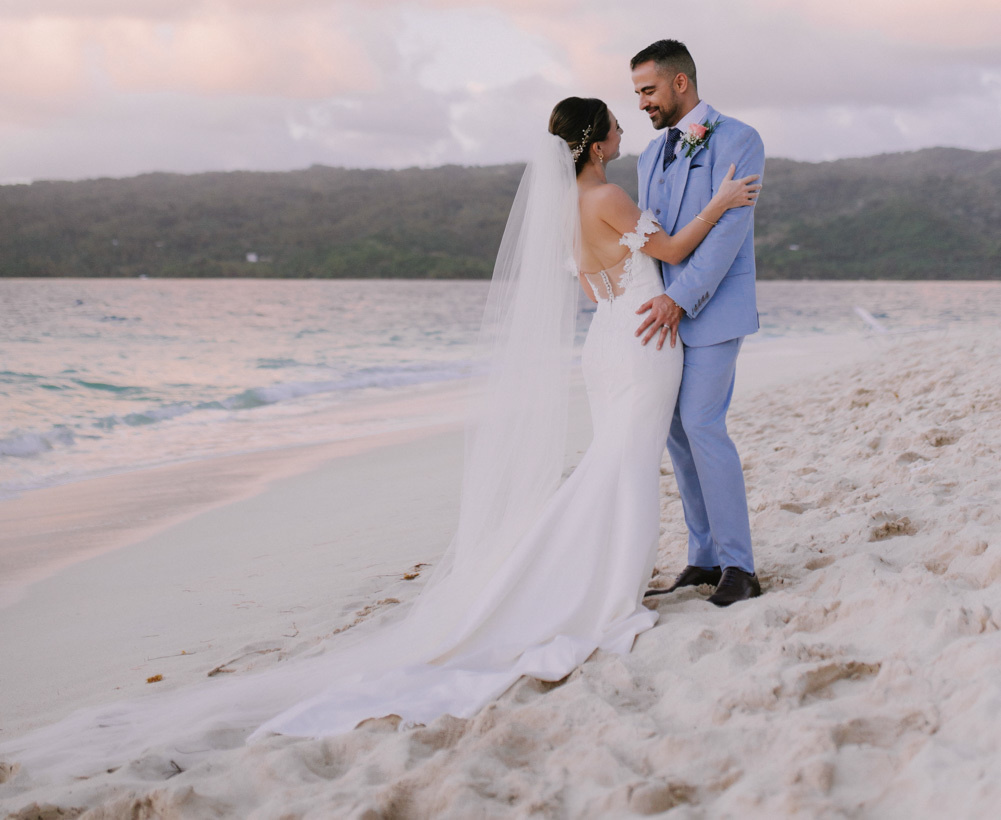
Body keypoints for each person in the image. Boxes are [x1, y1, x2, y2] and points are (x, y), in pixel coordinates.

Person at [5, 98, 759, 780]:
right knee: (622, 466)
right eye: (615, 127)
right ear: (596, 144)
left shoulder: (566, 207)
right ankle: (595, 591)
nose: (626, 132)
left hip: (606, 346)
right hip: (637, 345)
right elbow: (668, 254)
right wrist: (723, 200)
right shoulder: (608, 194)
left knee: (615, 461)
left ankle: (602, 578)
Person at [630, 39, 766, 607]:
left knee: (703, 424)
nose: (641, 103)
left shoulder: (739, 140)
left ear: (680, 83)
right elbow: (653, 241)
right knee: (677, 435)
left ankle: (741, 567)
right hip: (662, 318)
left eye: (648, 90)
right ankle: (704, 557)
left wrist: (680, 299)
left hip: (710, 311)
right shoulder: (645, 157)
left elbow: (726, 240)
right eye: (636, 92)